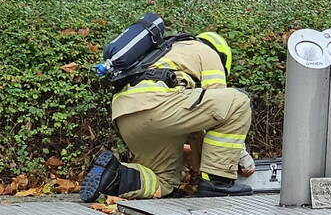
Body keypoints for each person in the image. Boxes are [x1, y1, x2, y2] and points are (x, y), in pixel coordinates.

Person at [81, 30, 254, 201]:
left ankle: (114, 174)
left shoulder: (164, 52)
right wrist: (239, 159)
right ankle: (218, 183)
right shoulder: (207, 51)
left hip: (124, 115)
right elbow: (223, 109)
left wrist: (198, 168)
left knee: (164, 181)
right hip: (158, 105)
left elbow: (197, 128)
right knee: (238, 101)